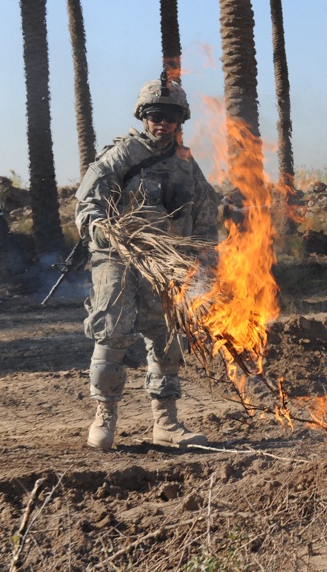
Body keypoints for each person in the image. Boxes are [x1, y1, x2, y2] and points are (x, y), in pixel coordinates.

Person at [74, 73, 220, 451]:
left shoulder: (186, 164)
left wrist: (205, 260)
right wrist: (102, 230)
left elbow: (204, 214)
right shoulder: (122, 155)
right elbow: (87, 204)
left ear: (180, 120)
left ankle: (166, 423)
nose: (163, 122)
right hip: (119, 259)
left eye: (170, 115)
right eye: (155, 114)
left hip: (167, 263)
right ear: (143, 115)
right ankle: (104, 419)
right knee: (112, 335)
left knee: (167, 338)